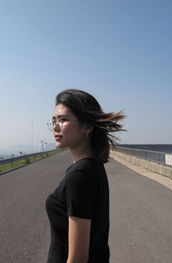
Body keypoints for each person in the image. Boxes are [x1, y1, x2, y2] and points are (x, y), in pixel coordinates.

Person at [46, 89, 125, 263]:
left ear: (87, 127)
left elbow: (78, 259)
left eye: (63, 120)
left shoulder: (79, 176)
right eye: (54, 120)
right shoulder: (92, 167)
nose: (55, 126)